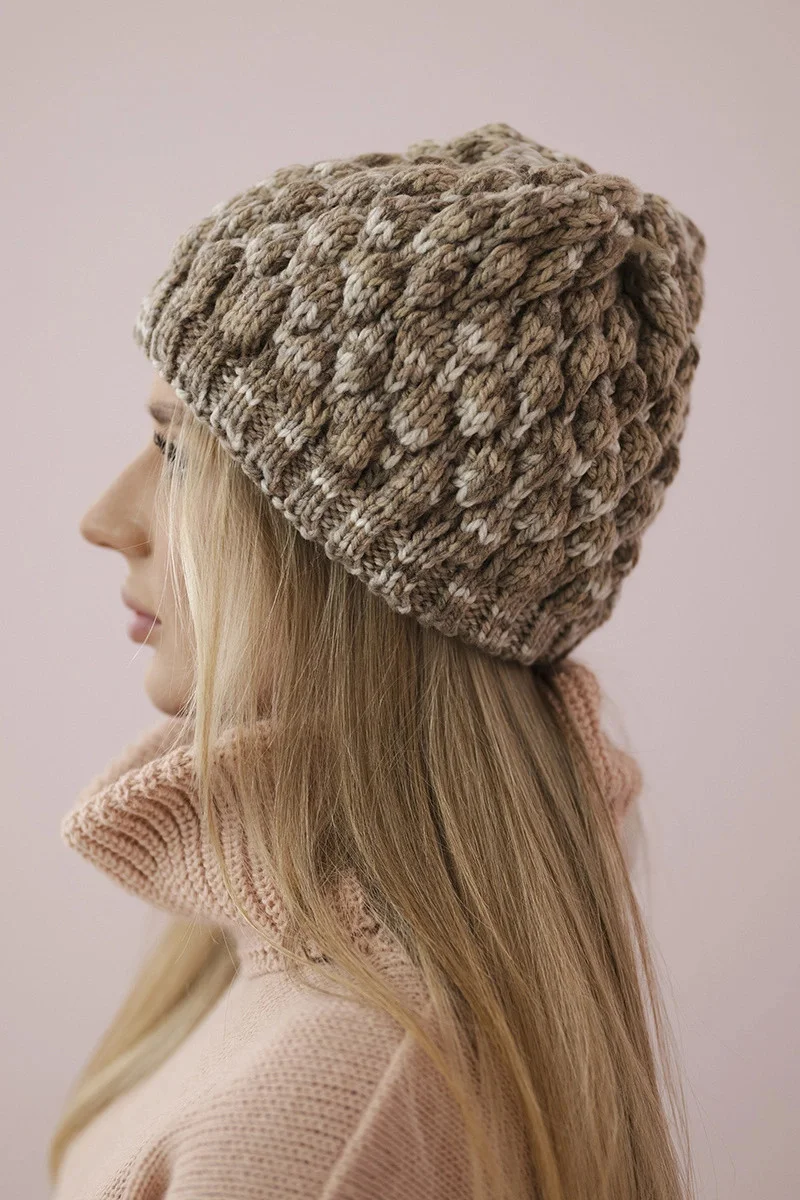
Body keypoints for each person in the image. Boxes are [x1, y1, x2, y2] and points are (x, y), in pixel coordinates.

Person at [48, 122, 706, 1200]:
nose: (107, 519)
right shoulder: (288, 962)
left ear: (348, 557)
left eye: (177, 452)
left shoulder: (314, 1123)